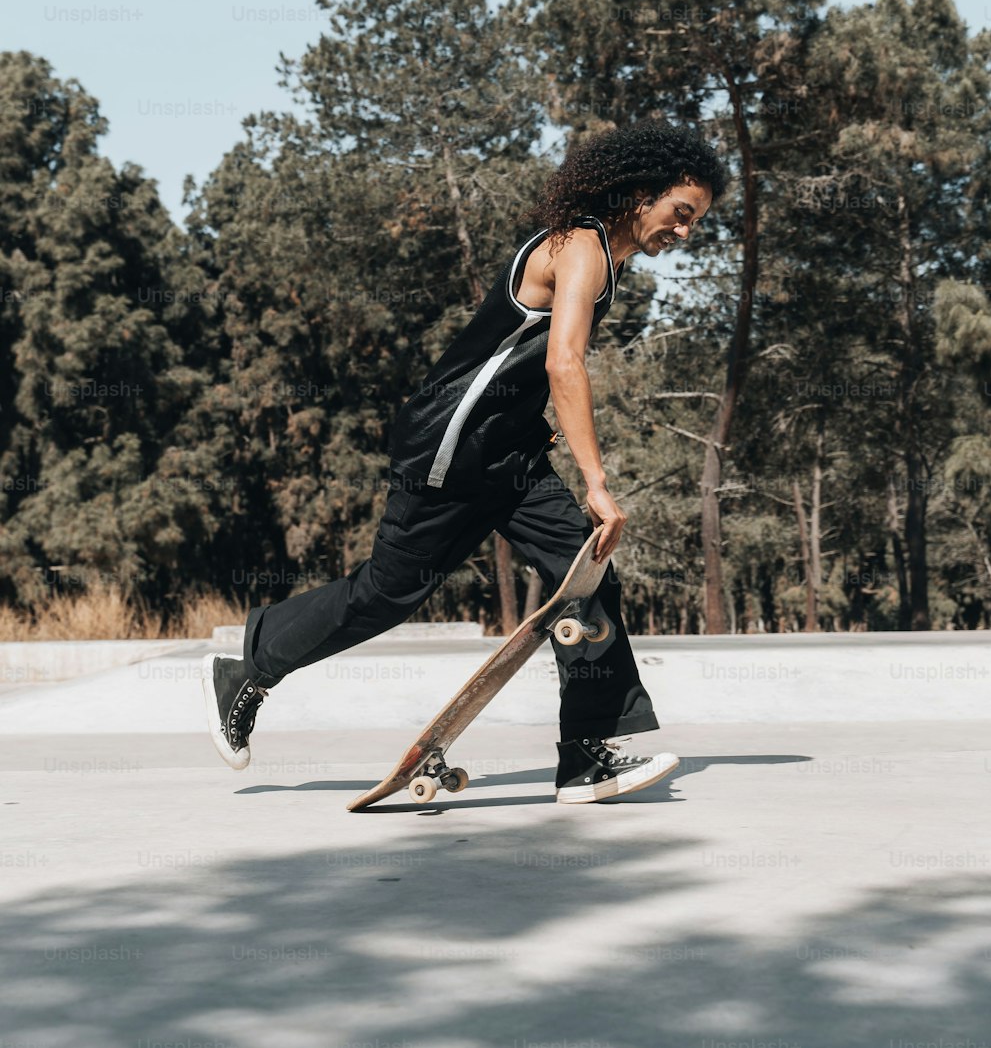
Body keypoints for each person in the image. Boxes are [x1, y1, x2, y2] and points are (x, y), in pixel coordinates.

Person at [203, 119, 726, 803]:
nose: (684, 232)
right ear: (640, 194)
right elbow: (563, 362)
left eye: (696, 223)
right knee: (388, 593)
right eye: (680, 214)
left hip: (508, 449)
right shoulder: (581, 247)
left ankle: (585, 758)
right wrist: (595, 480)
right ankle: (250, 661)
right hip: (453, 440)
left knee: (587, 574)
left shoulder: (607, 255)